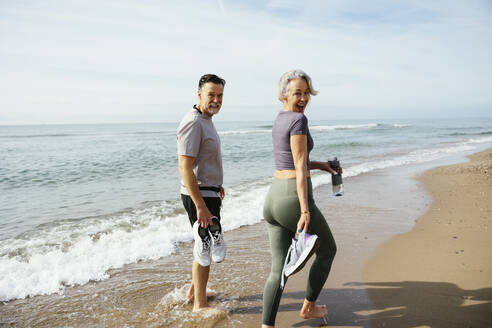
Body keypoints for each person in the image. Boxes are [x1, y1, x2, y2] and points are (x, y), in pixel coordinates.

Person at [261, 69, 338, 327]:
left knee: (277, 271)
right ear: (284, 94)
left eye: (306, 93)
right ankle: (309, 307)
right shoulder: (298, 121)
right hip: (293, 199)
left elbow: (291, 161)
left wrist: (322, 165)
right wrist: (305, 210)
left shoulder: (280, 118)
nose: (303, 98)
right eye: (297, 93)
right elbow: (299, 164)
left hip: (273, 200)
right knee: (328, 250)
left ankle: (266, 325)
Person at [177, 74, 227, 312]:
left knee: (203, 243)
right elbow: (185, 169)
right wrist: (201, 205)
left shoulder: (206, 119)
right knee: (205, 246)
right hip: (200, 196)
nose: (216, 100)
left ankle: (192, 292)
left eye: (220, 95)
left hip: (209, 192)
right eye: (211, 95)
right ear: (199, 95)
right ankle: (200, 304)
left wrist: (218, 186)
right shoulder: (193, 122)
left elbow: (205, 160)